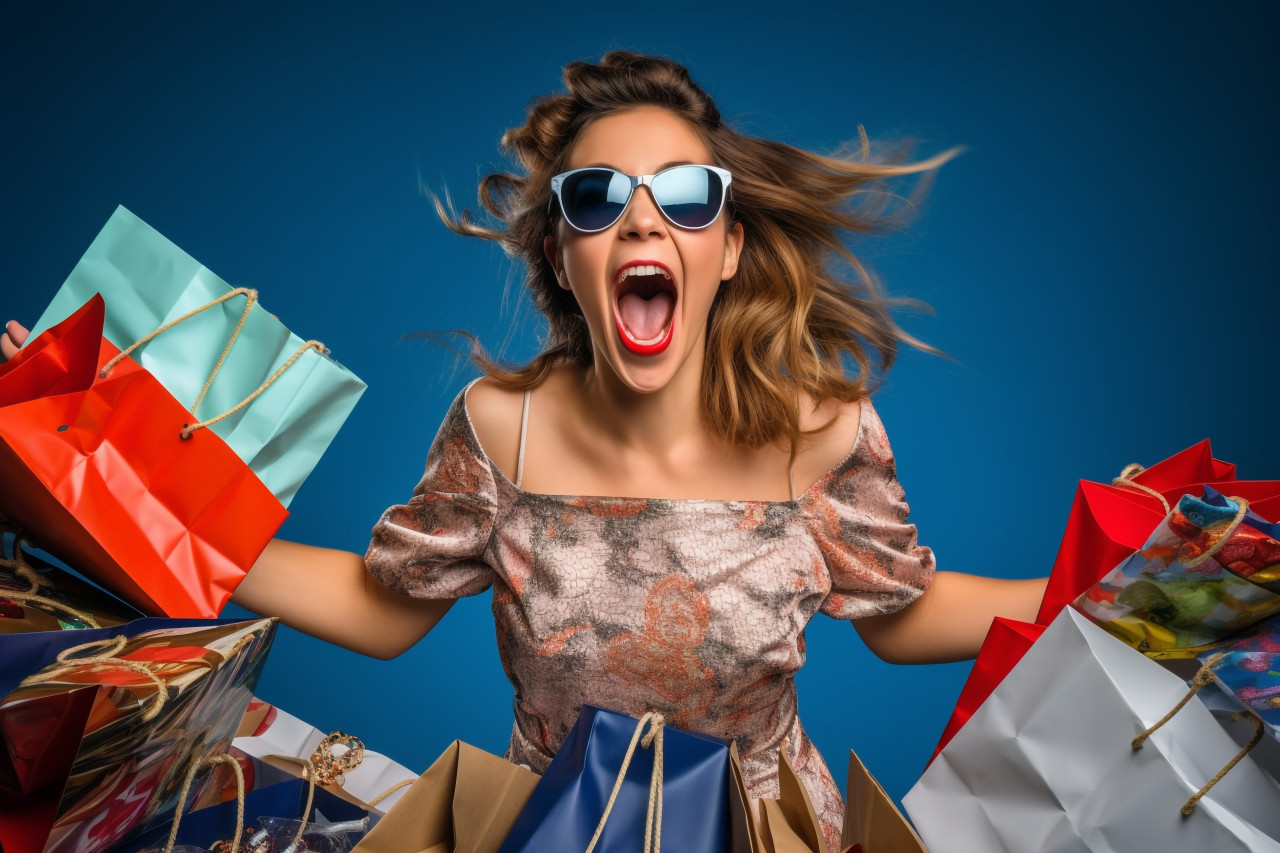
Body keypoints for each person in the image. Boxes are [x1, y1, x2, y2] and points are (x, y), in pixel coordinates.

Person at [3, 51, 1046, 851]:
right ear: (563, 250)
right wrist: (121, 501)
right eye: (598, 199)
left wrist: (1085, 591)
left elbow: (903, 617)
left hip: (769, 831)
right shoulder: (502, 428)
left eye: (683, 197)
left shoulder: (821, 428)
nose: (642, 221)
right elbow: (381, 611)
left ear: (725, 247)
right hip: (559, 828)